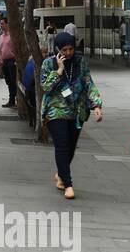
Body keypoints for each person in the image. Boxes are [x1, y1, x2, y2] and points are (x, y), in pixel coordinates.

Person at [39, 30, 103, 200]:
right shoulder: (48, 63)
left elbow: (88, 82)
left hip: (76, 111)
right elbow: (45, 87)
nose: (67, 53)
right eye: (64, 50)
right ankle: (68, 184)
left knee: (71, 146)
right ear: (57, 49)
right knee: (62, 144)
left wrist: (96, 104)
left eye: (70, 49)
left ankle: (61, 173)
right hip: (55, 110)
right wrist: (59, 71)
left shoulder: (80, 62)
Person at [0, 22, 17, 108]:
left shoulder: (12, 35)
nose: (1, 25)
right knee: (8, 81)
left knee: (13, 81)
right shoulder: (1, 36)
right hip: (4, 61)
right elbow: (0, 49)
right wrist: (0, 59)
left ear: (7, 24)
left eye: (3, 24)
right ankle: (11, 100)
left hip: (12, 61)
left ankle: (14, 99)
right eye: (1, 24)